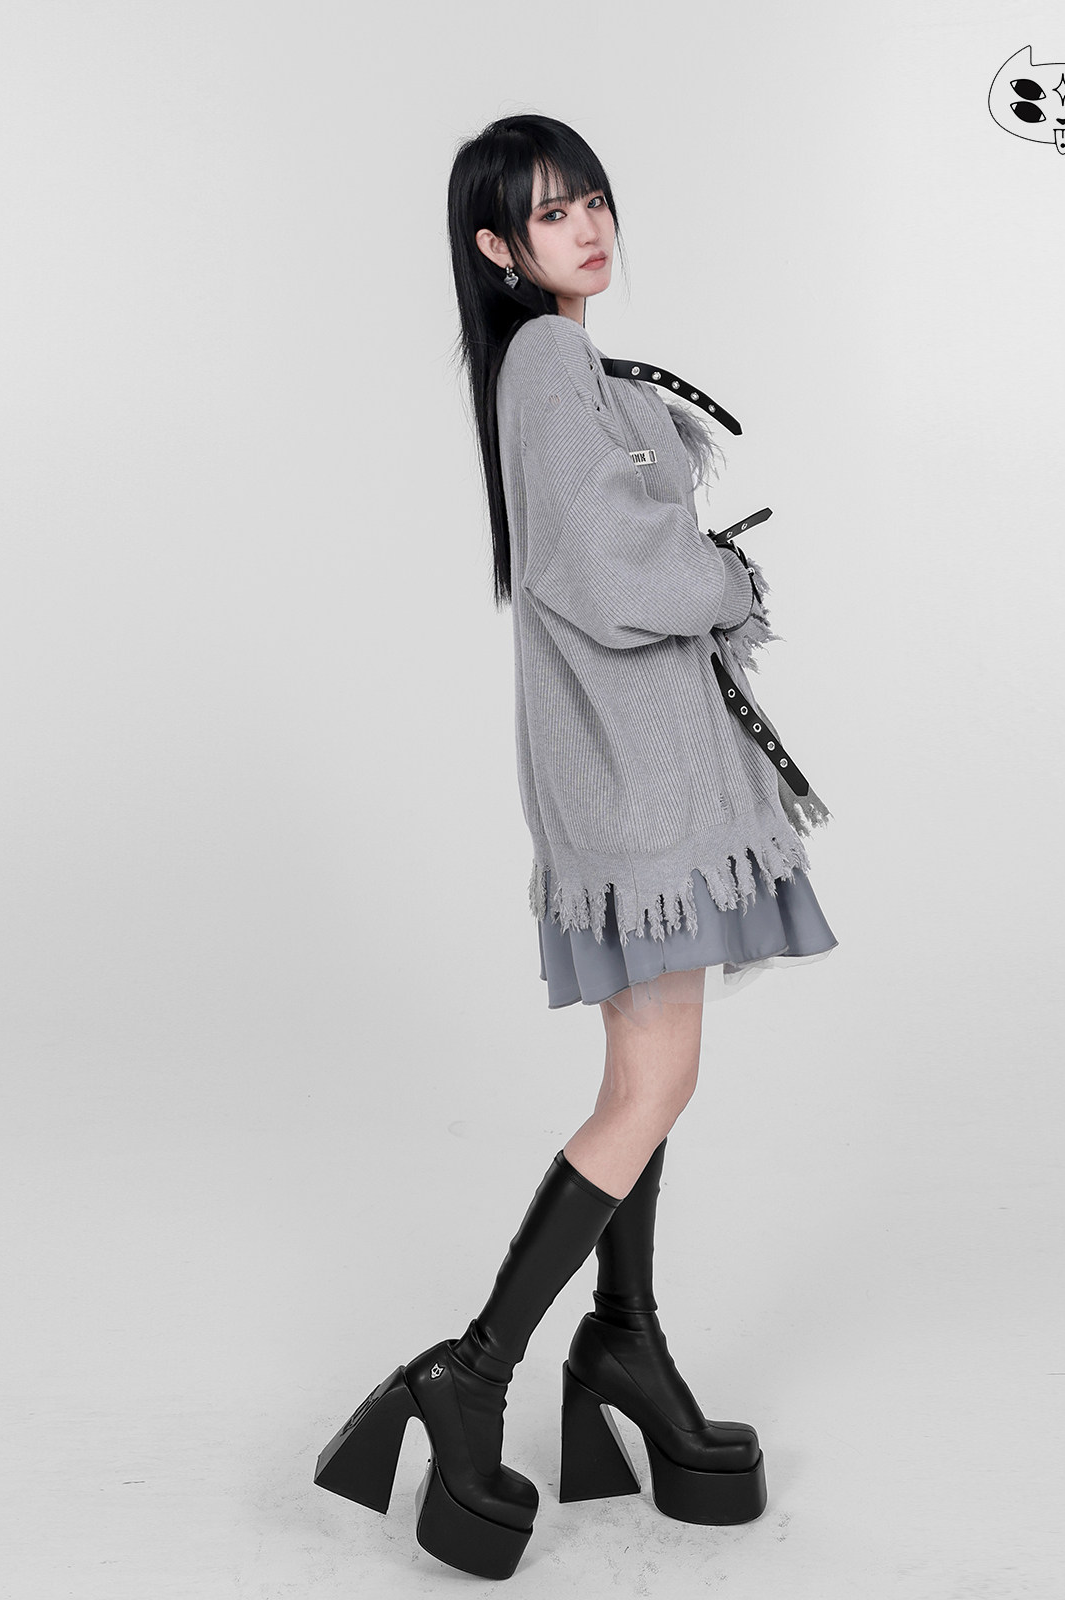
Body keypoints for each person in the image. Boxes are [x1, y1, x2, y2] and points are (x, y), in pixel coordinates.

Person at [314, 113, 838, 1581]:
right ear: (498, 247)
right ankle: (471, 1371)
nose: (588, 227)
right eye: (552, 214)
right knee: (657, 1084)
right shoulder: (549, 361)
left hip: (627, 773)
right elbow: (609, 571)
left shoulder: (551, 362)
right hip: (642, 787)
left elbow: (585, 558)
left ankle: (624, 1347)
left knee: (637, 1083)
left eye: (594, 199)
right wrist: (727, 573)